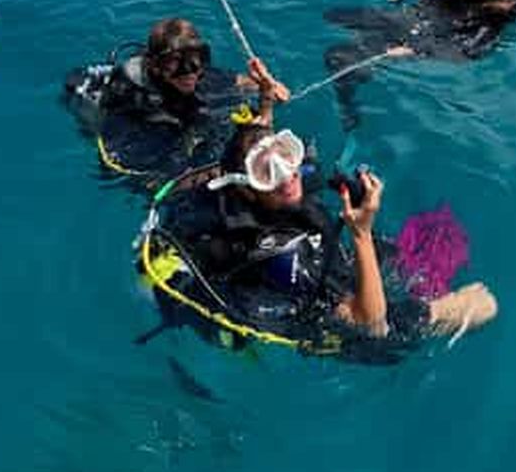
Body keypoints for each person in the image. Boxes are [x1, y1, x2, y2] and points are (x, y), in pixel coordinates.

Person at [147, 71, 497, 357]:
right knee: (458, 314)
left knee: (424, 240)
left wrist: (265, 102)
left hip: (311, 251)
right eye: (269, 173)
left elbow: (256, 145)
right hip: (331, 319)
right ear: (246, 188)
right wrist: (360, 233)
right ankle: (440, 309)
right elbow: (370, 326)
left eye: (287, 155)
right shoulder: (279, 258)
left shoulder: (260, 190)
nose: (287, 175)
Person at [324, 0, 516, 130]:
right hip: (421, 14)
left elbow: (469, 51)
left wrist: (417, 51)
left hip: (436, 34)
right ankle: (360, 69)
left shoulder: (497, 14)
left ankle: (350, 108)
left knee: (339, 56)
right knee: (335, 16)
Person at [65, 17, 289, 184]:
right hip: (144, 129)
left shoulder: (195, 73)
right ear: (155, 66)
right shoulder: (137, 104)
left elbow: (241, 82)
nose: (189, 72)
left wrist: (266, 86)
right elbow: (151, 177)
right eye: (175, 63)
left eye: (196, 60)